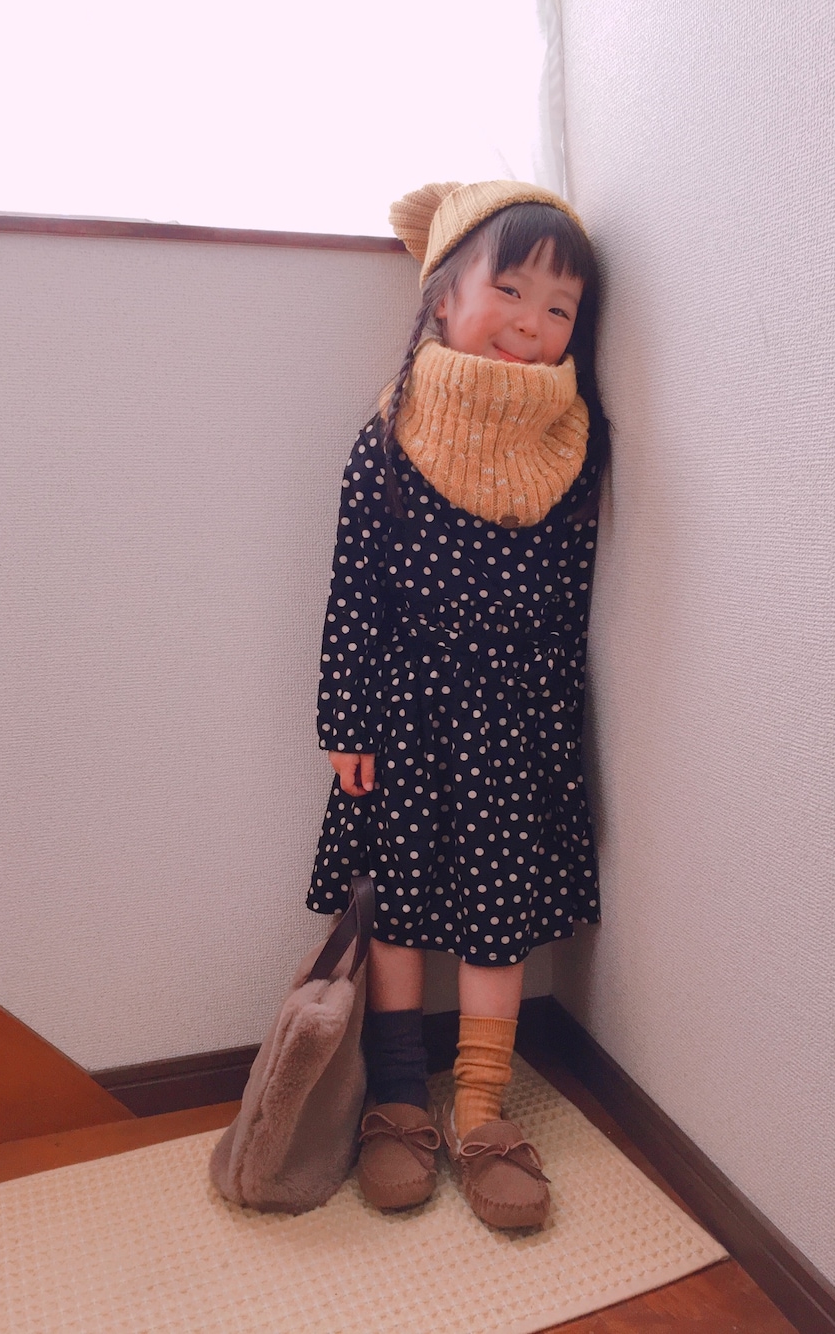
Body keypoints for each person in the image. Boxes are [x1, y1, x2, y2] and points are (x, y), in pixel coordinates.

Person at [308, 180, 609, 1229]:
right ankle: (398, 1096)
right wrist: (345, 722)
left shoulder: (571, 445)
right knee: (397, 906)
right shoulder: (387, 438)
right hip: (403, 710)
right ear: (443, 298)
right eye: (510, 289)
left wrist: (556, 732)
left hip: (515, 720)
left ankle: (481, 1105)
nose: (532, 322)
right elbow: (355, 589)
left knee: (497, 913)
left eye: (560, 306)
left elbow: (570, 601)